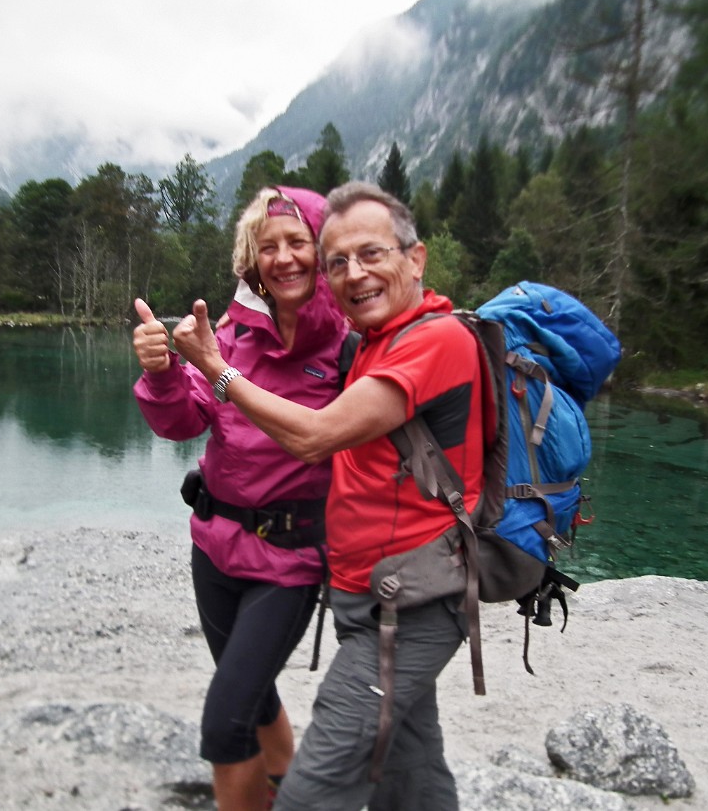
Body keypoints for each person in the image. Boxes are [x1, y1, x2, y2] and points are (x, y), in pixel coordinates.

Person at [171, 181, 485, 810]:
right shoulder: (372, 344)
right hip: (368, 597)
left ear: (415, 259)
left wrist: (218, 370)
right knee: (411, 771)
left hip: (411, 606)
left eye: (372, 254)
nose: (353, 272)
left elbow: (314, 438)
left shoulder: (435, 340)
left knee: (310, 796)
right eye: (339, 261)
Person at [131, 186, 348, 811]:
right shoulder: (230, 333)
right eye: (267, 246)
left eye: (297, 243)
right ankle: (289, 790)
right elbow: (184, 422)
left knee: (225, 723)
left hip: (290, 560)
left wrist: (213, 368)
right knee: (256, 698)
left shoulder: (347, 345)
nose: (282, 258)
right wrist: (163, 372)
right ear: (251, 258)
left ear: (321, 249)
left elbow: (321, 444)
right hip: (214, 549)